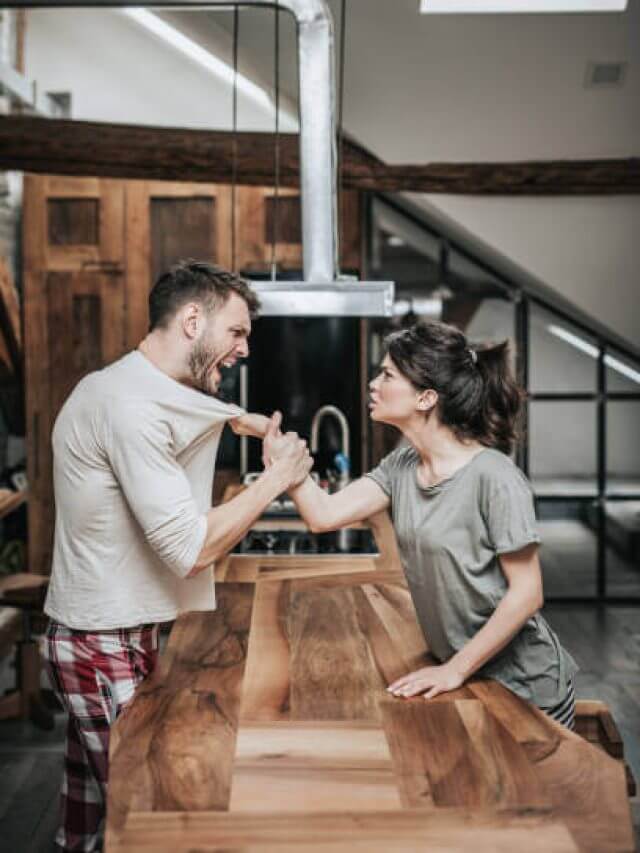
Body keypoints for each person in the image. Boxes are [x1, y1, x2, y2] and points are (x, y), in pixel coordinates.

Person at [42, 261, 311, 853]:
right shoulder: (128, 406)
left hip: (117, 630)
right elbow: (190, 550)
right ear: (193, 321)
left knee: (92, 816)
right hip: (101, 642)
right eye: (236, 333)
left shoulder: (127, 384)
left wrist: (243, 421)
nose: (244, 350)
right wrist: (275, 480)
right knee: (152, 815)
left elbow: (186, 408)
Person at [276, 320, 577, 727]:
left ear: (426, 398)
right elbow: (323, 515)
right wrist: (285, 467)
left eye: (387, 375)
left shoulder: (495, 477)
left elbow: (527, 594)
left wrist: (454, 669)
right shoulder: (402, 465)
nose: (373, 384)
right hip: (464, 676)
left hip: (526, 688)